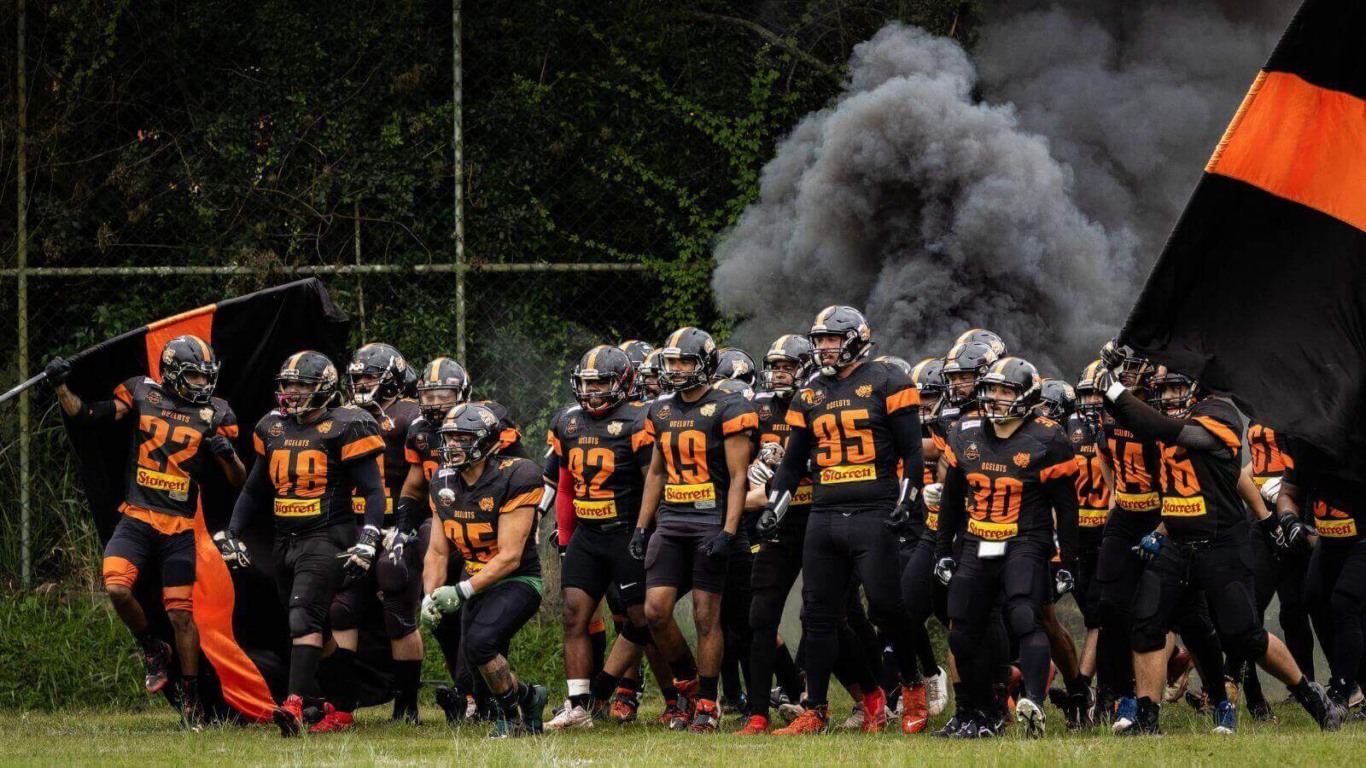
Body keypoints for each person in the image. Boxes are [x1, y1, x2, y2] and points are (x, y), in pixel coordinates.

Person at [1093, 354, 1340, 734]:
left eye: (1176, 387)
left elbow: (1169, 430)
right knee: (1146, 621)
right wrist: (1116, 374)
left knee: (1244, 633)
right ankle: (1146, 716)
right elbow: (1129, 425)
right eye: (1163, 388)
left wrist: (1115, 389)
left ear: (1195, 387)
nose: (1168, 395)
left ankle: (1309, 693)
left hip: (1221, 542)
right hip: (1175, 541)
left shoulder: (1219, 414)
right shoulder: (1164, 418)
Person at [47, 336, 244, 730]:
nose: (201, 384)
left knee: (181, 616)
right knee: (117, 587)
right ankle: (151, 645)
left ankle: (190, 694)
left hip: (179, 526)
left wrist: (227, 455)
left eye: (206, 376)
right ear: (171, 373)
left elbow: (238, 480)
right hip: (137, 516)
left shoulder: (216, 412)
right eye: (192, 374)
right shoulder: (141, 391)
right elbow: (86, 415)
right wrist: (59, 385)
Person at [761, 306, 927, 735]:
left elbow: (912, 452)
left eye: (831, 339)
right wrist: (774, 509)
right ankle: (816, 708)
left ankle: (911, 683)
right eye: (819, 340)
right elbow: (793, 464)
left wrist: (907, 500)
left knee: (886, 607)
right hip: (824, 512)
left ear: (855, 338)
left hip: (874, 510)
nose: (823, 348)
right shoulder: (810, 392)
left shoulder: (888, 380)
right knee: (817, 616)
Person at [218, 351, 387, 736]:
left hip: (328, 536)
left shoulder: (346, 425)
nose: (292, 392)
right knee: (318, 629)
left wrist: (370, 537)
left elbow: (374, 491)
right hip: (285, 539)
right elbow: (254, 489)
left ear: (324, 388)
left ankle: (294, 704)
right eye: (288, 384)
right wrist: (233, 531)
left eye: (302, 385)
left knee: (302, 618)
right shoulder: (272, 428)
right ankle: (340, 706)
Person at [934, 357, 1080, 739]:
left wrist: (1068, 559)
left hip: (1024, 540)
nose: (994, 398)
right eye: (991, 390)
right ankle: (978, 710)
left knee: (1023, 615)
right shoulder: (965, 431)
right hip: (976, 539)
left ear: (1027, 396)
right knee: (962, 630)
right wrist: (941, 548)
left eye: (1005, 391)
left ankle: (1033, 700)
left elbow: (1067, 508)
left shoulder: (1049, 438)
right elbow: (951, 499)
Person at [633, 327, 757, 732]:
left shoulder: (729, 405)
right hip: (671, 522)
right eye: (671, 362)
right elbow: (655, 472)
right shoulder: (660, 409)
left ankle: (707, 702)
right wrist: (641, 526)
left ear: (704, 363)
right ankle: (687, 683)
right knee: (655, 612)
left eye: (685, 360)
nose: (677, 369)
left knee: (707, 617)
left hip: (709, 522)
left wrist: (728, 531)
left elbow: (740, 477)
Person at [542, 346, 658, 729]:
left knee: (641, 618)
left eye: (600, 383)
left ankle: (607, 691)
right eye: (586, 384)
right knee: (574, 615)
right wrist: (564, 537)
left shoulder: (639, 420)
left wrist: (645, 530)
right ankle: (577, 705)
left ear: (622, 383)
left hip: (625, 531)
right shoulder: (568, 423)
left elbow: (651, 482)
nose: (591, 392)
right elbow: (563, 489)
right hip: (588, 536)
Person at [420, 402, 550, 737]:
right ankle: (530, 698)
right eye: (449, 437)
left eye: (463, 437)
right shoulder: (442, 481)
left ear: (485, 440)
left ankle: (508, 720)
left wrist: (461, 591)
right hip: (474, 579)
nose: (453, 445)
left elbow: (509, 558)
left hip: (517, 580)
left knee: (479, 643)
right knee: (473, 682)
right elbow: (437, 551)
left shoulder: (517, 474)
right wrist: (429, 596)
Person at [324, 342, 426, 726]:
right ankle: (343, 701)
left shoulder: (413, 414)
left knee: (397, 604)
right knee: (341, 607)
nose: (362, 382)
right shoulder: (341, 415)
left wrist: (406, 524)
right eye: (358, 377)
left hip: (397, 524)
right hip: (352, 523)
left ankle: (407, 705)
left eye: (370, 375)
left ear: (393, 378)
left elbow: (423, 477)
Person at [735, 334, 815, 734]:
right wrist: (750, 472)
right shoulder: (759, 409)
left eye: (789, 366)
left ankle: (867, 697)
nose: (780, 373)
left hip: (818, 517)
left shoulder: (821, 400)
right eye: (775, 366)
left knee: (834, 617)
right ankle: (758, 713)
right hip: (777, 524)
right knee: (760, 615)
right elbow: (739, 460)